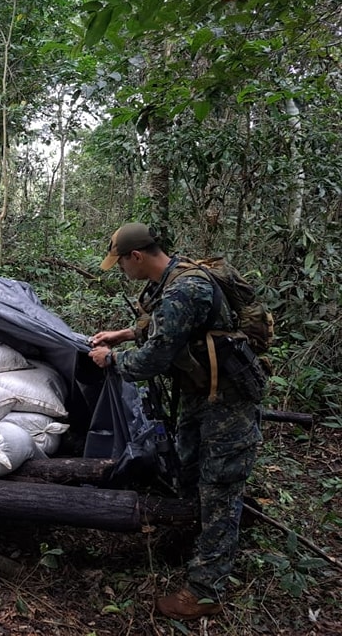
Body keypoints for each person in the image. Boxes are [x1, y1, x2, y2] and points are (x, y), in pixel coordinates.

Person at [87, 223, 262, 621]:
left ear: (137, 257)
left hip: (227, 403)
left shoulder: (185, 289)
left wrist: (112, 359)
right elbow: (167, 328)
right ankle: (195, 539)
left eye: (121, 263)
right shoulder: (173, 277)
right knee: (190, 469)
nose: (121, 271)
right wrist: (124, 333)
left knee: (220, 487)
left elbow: (154, 360)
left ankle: (205, 591)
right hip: (202, 394)